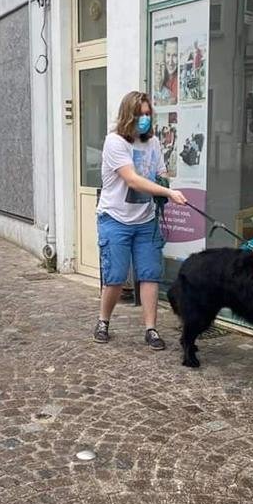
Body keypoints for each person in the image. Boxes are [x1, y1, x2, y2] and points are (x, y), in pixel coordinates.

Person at [94, 91, 187, 348]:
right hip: (115, 218)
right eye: (140, 114)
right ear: (129, 115)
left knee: (150, 274)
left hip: (146, 220)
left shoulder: (153, 143)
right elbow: (132, 179)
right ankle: (103, 321)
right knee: (115, 276)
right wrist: (168, 192)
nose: (145, 119)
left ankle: (151, 329)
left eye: (148, 114)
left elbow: (160, 172)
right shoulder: (115, 142)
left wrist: (164, 183)